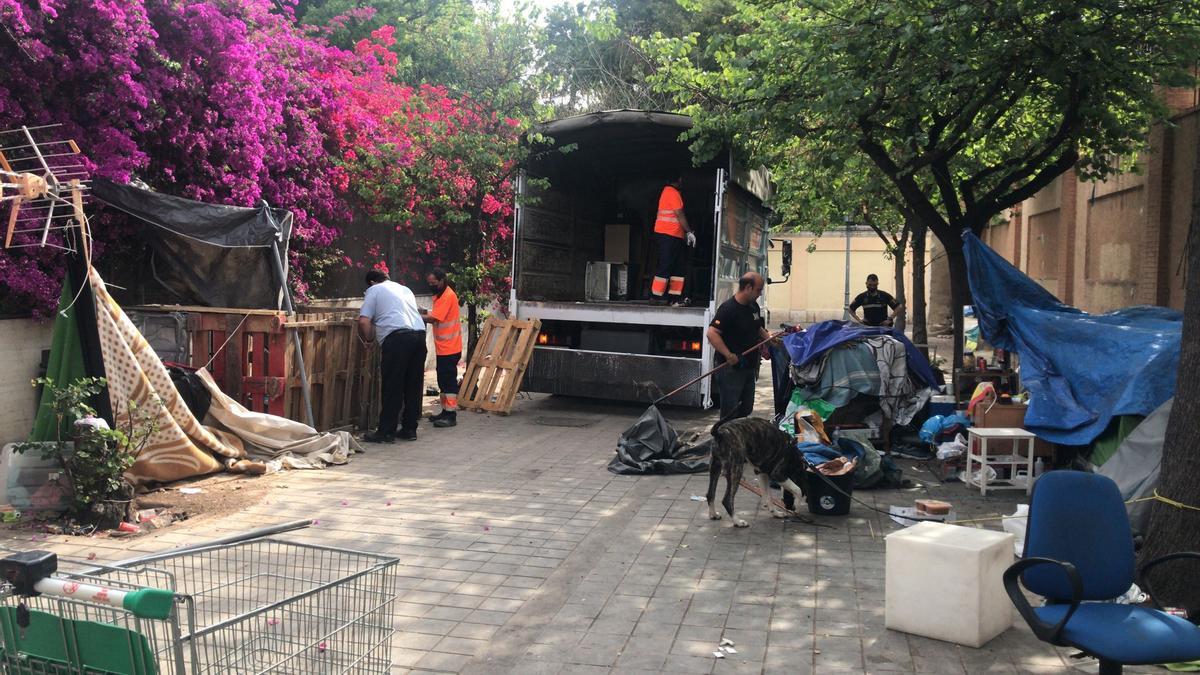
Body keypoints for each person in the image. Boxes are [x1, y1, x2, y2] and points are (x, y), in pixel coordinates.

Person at [358, 270, 427, 442]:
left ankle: (386, 432)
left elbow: (364, 321)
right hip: (419, 337)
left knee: (392, 386)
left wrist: (369, 339)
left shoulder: (375, 290)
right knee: (413, 386)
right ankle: (410, 429)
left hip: (397, 339)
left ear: (372, 282)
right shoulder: (405, 289)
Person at [707, 272, 776, 421]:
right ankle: (726, 439)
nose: (760, 293)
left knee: (746, 407)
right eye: (758, 289)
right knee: (729, 412)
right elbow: (712, 333)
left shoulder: (753, 306)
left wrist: (769, 340)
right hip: (731, 368)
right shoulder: (728, 309)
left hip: (749, 366)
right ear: (748, 287)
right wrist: (728, 354)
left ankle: (738, 435)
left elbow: (757, 328)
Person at [420, 268, 462, 428]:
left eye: (434, 283)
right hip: (445, 348)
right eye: (429, 283)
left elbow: (434, 318)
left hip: (450, 348)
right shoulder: (440, 295)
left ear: (442, 280)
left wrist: (414, 315)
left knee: (448, 382)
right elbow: (436, 313)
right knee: (442, 381)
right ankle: (445, 411)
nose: (431, 286)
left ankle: (451, 415)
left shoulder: (447, 296)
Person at [650, 174, 697, 305]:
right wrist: (689, 231)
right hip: (668, 234)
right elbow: (679, 214)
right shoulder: (672, 192)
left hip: (674, 235)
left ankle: (674, 298)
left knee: (677, 267)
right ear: (680, 180)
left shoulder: (669, 192)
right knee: (666, 265)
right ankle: (656, 297)